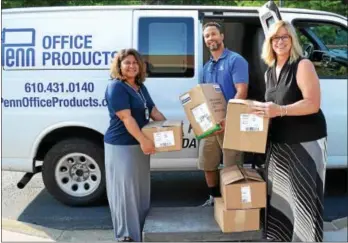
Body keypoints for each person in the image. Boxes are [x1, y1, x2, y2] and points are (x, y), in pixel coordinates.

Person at [250, 20, 327, 242]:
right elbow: (271, 109)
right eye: (275, 38)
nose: (280, 41)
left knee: (303, 199)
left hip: (305, 142)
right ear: (269, 42)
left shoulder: (302, 65)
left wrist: (279, 110)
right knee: (282, 197)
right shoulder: (269, 72)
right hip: (279, 144)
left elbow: (312, 103)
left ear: (292, 40)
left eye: (285, 37)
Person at [104, 48, 166, 242]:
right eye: (127, 63)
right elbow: (126, 118)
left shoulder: (140, 87)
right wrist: (144, 140)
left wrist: (168, 129)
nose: (132, 66)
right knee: (125, 193)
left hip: (138, 144)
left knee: (139, 191)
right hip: (122, 146)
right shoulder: (116, 87)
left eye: (135, 63)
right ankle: (126, 236)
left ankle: (139, 231)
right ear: (119, 66)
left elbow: (154, 111)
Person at [199, 22, 249, 206]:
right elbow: (203, 94)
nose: (210, 38)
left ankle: (233, 202)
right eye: (207, 36)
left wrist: (230, 117)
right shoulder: (206, 67)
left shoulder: (235, 60)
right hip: (211, 124)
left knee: (232, 165)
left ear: (222, 36)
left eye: (213, 34)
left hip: (231, 122)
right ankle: (214, 198)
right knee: (207, 163)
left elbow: (241, 91)